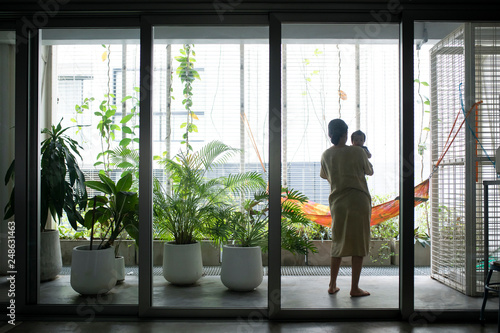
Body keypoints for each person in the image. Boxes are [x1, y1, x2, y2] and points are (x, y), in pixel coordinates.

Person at [320, 119, 374, 297]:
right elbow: (370, 171)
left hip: (338, 204)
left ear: (330, 135)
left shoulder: (326, 155)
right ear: (345, 135)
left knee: (338, 242)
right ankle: (354, 288)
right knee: (358, 244)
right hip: (358, 201)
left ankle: (332, 284)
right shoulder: (358, 152)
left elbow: (326, 176)